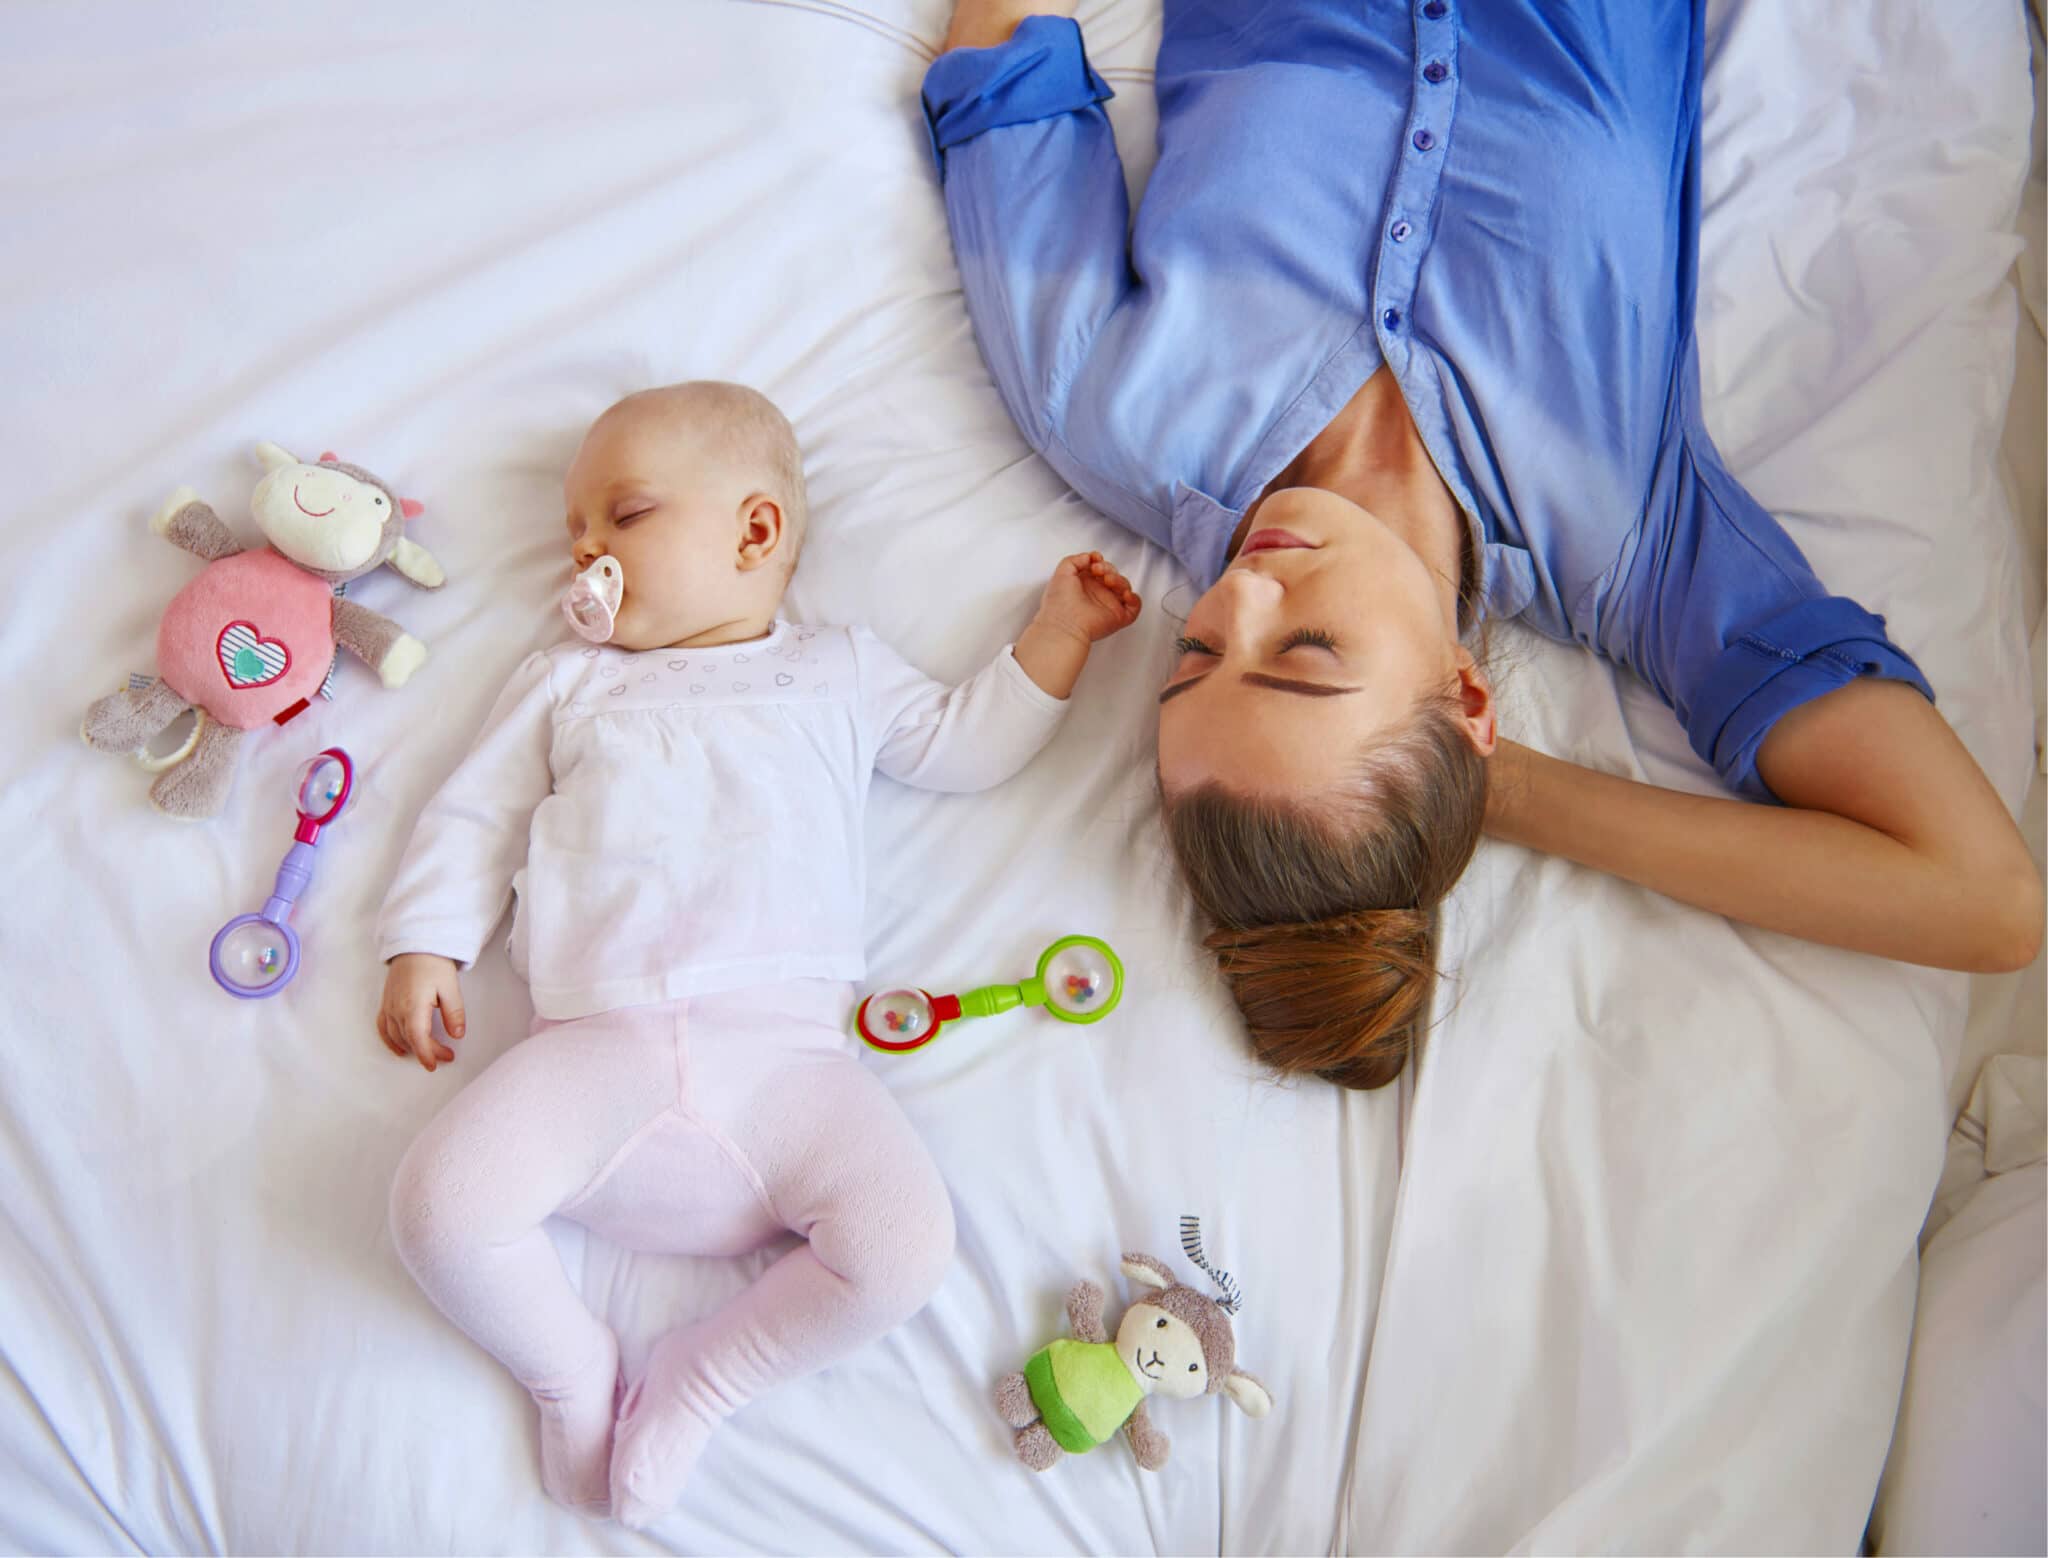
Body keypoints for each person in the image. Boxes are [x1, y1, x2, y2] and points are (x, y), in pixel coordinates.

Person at [924, 0, 2044, 1090]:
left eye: (1197, 653)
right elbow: (1983, 900)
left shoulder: (1105, 407)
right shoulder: (1632, 544)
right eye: (1304, 652)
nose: (1246, 592)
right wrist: (1484, 792)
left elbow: (998, 49)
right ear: (1467, 701)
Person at [373, 381, 1141, 1523]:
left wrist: (1057, 637)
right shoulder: (567, 683)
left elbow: (962, 743)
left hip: (786, 1069)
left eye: (622, 517)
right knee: (435, 1209)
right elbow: (477, 815)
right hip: (592, 1049)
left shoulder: (837, 670)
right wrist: (426, 943)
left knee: (903, 1250)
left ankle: (706, 1375)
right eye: (573, 532)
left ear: (755, 531)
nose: (586, 550)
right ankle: (568, 1368)